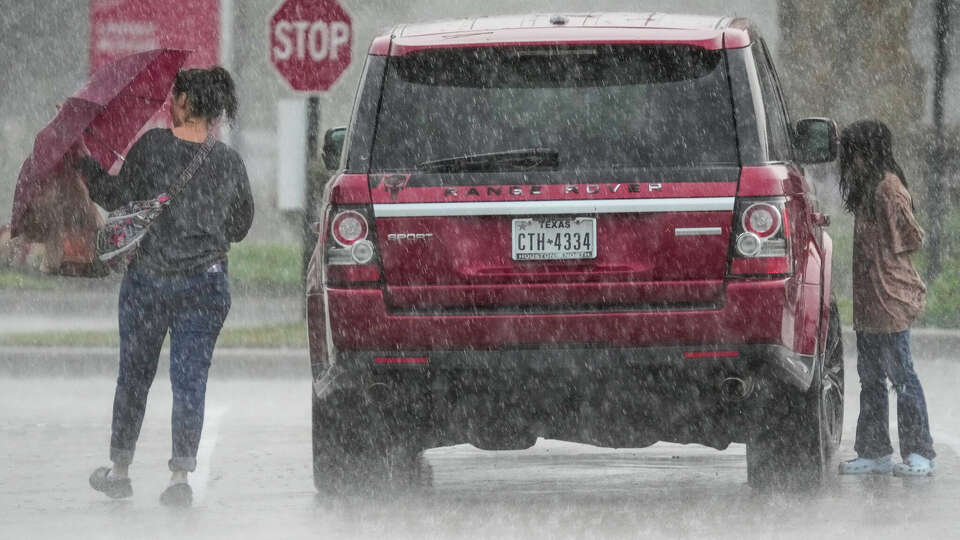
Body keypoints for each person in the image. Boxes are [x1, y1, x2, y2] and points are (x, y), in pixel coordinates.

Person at [82, 66, 254, 506]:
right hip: (206, 285)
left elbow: (115, 194)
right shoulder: (229, 161)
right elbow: (240, 227)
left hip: (150, 283)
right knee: (190, 380)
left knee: (134, 377)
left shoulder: (154, 146)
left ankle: (119, 469)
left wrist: (81, 160)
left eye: (173, 98)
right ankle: (180, 476)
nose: (169, 104)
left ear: (184, 102)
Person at [836, 120, 935, 477]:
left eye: (853, 155)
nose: (850, 163)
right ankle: (875, 450)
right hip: (869, 304)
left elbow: (911, 237)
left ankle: (919, 451)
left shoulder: (887, 190)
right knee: (872, 378)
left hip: (890, 299)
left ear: (866, 153)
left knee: (902, 377)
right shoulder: (868, 190)